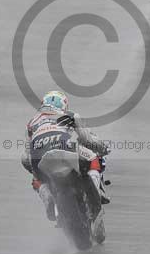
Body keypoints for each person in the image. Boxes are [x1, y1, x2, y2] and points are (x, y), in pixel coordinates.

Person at [21, 91, 110, 221]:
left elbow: (25, 157)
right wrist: (103, 148)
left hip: (39, 156)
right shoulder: (70, 115)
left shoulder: (31, 123)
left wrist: (33, 169)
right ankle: (96, 194)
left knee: (37, 179)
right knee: (93, 159)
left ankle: (48, 197)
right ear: (64, 105)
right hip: (64, 149)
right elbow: (87, 140)